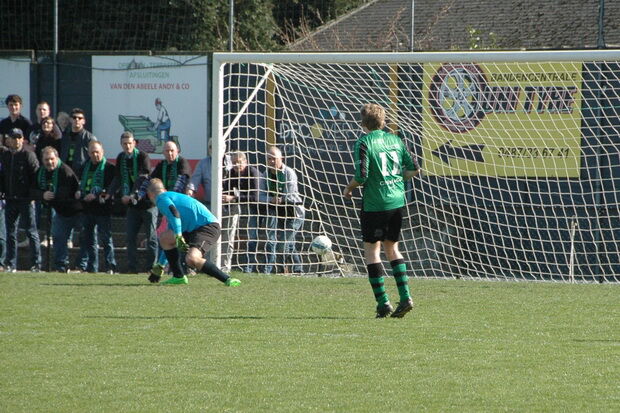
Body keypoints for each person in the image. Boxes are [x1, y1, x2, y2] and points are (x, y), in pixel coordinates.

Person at [343, 103, 420, 318]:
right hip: (396, 203)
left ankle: (383, 303)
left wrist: (349, 188)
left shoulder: (363, 142)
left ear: (362, 123)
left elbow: (362, 176)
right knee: (393, 249)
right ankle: (405, 297)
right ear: (383, 121)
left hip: (375, 204)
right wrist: (396, 179)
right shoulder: (396, 140)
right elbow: (414, 169)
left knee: (372, 251)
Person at [145, 178, 241, 287]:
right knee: (165, 238)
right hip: (193, 229)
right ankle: (178, 277)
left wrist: (178, 236)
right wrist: (161, 265)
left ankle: (228, 279)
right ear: (165, 189)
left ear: (149, 195)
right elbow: (173, 225)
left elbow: (175, 214)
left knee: (192, 259)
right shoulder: (171, 196)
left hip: (207, 227)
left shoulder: (161, 198)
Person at [108, 132, 157, 273]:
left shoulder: (143, 156)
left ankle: (151, 268)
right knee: (130, 237)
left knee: (151, 238)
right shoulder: (121, 157)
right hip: (132, 206)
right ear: (121, 144)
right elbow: (118, 178)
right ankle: (132, 268)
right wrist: (110, 193)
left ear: (134, 143)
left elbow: (144, 177)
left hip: (147, 204)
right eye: (124, 144)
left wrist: (132, 195)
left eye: (130, 143)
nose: (127, 146)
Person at [30, 146, 82, 272]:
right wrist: (42, 194)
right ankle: (61, 266)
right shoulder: (41, 172)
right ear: (42, 160)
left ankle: (83, 266)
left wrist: (51, 195)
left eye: (52, 159)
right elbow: (32, 189)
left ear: (57, 158)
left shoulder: (65, 171)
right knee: (58, 237)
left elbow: (65, 192)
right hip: (60, 212)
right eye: (46, 160)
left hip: (78, 211)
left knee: (86, 238)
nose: (49, 162)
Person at [0, 128, 41, 272]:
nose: (16, 140)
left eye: (19, 138)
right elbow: (2, 176)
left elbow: (36, 176)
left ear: (22, 139)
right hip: (10, 199)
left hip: (25, 199)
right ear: (9, 140)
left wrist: (32, 195)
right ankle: (11, 263)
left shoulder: (28, 155)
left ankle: (36, 264)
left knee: (31, 232)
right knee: (10, 233)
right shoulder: (5, 155)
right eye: (14, 138)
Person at [75, 140, 116, 273]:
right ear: (88, 153)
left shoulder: (109, 168)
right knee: (89, 240)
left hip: (103, 209)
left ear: (102, 152)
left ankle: (110, 266)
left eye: (97, 152)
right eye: (92, 152)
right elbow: (79, 183)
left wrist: (97, 195)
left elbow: (111, 188)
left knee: (106, 239)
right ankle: (92, 267)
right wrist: (79, 192)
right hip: (87, 208)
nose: (95, 155)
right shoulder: (84, 167)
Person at [263, 146, 305, 274]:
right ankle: (298, 269)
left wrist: (280, 199)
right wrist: (270, 199)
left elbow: (290, 194)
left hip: (294, 214)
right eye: (269, 159)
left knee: (283, 243)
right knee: (290, 244)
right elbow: (261, 195)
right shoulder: (265, 174)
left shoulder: (289, 173)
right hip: (280, 213)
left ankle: (282, 270)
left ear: (281, 158)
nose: (271, 161)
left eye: (274, 159)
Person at [222, 151, 261, 273]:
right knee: (252, 236)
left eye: (239, 162)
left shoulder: (253, 173)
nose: (236, 165)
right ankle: (248, 268)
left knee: (270, 240)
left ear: (245, 162)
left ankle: (267, 268)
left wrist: (233, 198)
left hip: (266, 207)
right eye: (234, 162)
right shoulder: (232, 173)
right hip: (251, 208)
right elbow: (227, 189)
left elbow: (255, 197)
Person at [60, 108, 97, 173]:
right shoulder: (64, 137)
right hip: (65, 171)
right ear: (70, 120)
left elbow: (94, 156)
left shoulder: (90, 138)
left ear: (84, 121)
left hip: (82, 172)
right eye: (74, 117)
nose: (77, 120)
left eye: (80, 118)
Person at [186, 139, 213, 208]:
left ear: (224, 148)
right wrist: (190, 190)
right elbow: (194, 181)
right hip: (209, 204)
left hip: (229, 204)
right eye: (211, 147)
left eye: (216, 146)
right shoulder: (203, 163)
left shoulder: (231, 162)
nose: (213, 149)